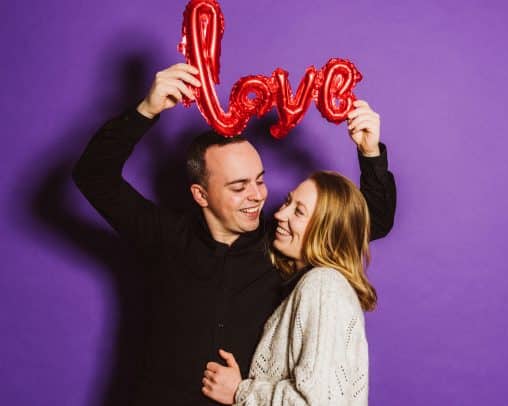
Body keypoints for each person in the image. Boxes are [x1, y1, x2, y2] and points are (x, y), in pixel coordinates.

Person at [72, 63, 396, 405]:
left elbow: (371, 220)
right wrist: (146, 110)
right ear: (201, 195)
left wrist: (369, 152)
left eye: (259, 180)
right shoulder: (163, 235)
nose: (258, 195)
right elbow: (93, 175)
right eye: (239, 187)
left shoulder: (283, 241)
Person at [201, 171, 376, 405]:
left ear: (327, 232)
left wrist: (240, 391)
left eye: (298, 212)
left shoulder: (324, 286)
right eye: (287, 202)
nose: (279, 214)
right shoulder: (310, 284)